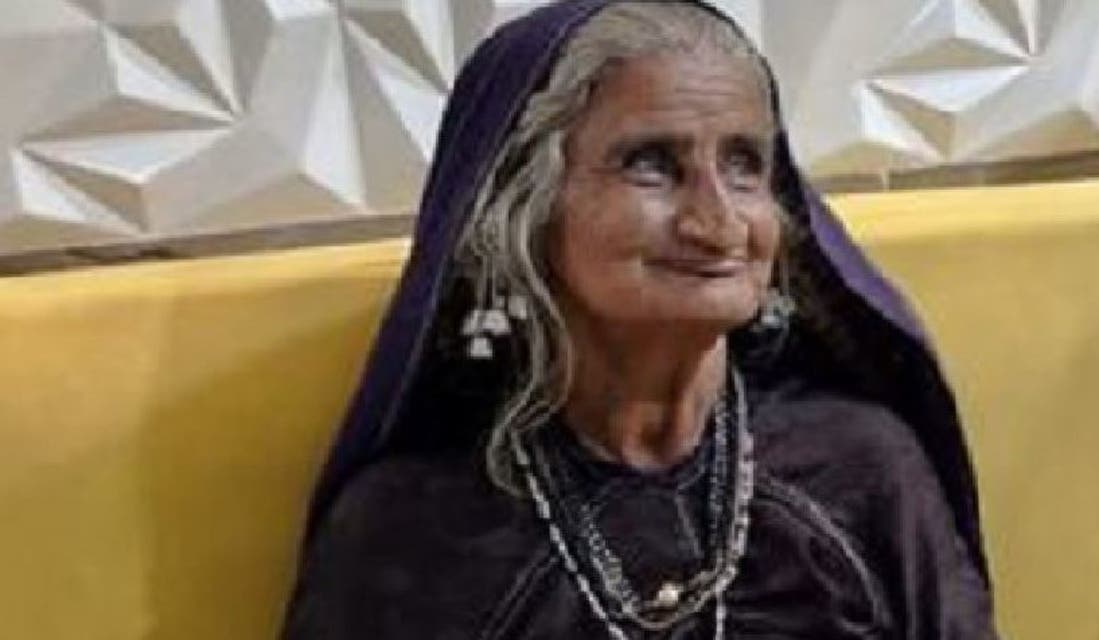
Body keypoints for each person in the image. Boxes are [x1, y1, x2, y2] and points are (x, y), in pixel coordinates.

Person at [282, 1, 999, 638]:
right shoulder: (411, 527)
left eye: (745, 164)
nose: (719, 223)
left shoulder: (858, 470)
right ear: (526, 208)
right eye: (651, 164)